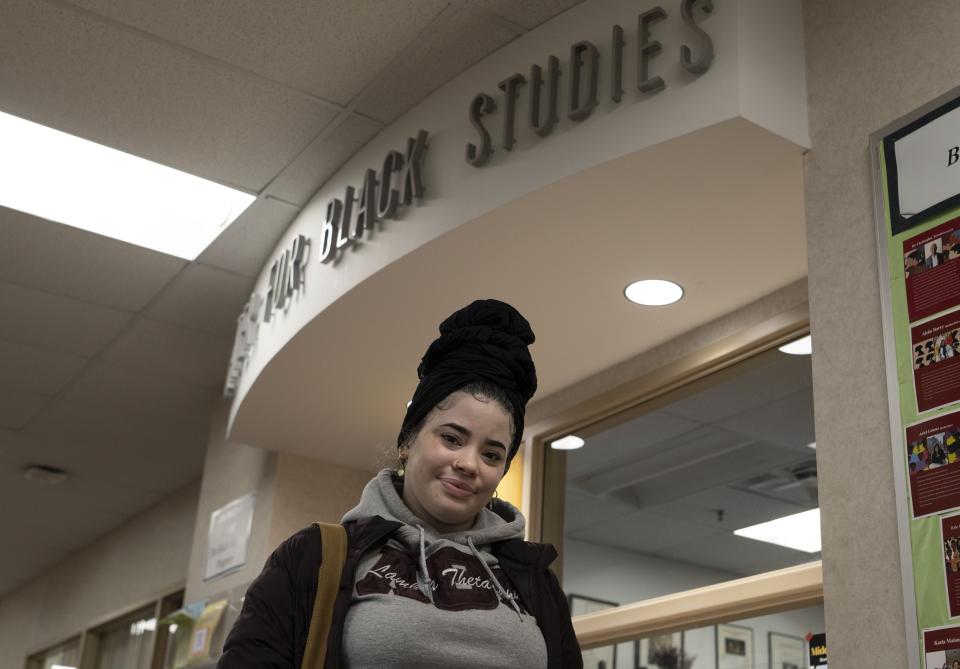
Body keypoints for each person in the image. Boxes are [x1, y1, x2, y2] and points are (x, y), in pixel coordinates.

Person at [217, 299, 583, 668]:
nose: (468, 463)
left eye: (491, 454)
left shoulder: (534, 580)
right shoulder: (313, 558)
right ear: (407, 442)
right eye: (452, 439)